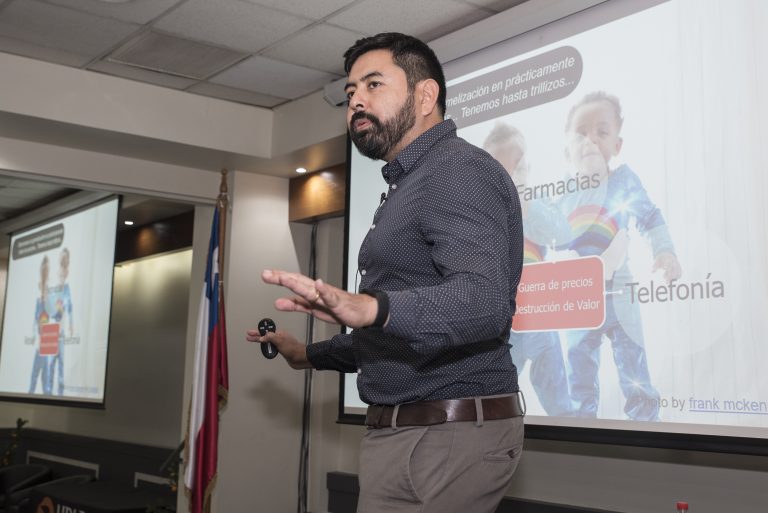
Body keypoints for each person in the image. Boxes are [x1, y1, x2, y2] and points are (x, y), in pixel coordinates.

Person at [247, 33, 525, 513]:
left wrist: (373, 307)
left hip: (446, 431)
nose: (356, 99)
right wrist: (308, 355)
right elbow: (398, 335)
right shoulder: (410, 183)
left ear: (425, 96)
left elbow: (483, 303)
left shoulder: (455, 170)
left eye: (373, 84)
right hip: (409, 432)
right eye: (351, 90)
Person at [557, 91, 682, 421]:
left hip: (619, 288)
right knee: (578, 371)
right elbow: (557, 236)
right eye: (581, 134)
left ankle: (646, 428)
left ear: (617, 145)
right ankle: (579, 431)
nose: (591, 141)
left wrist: (665, 250)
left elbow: (649, 216)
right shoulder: (565, 190)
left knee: (633, 363)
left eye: (602, 132)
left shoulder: (624, 179)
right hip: (579, 293)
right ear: (567, 149)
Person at [483, 122, 574, 416]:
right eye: (503, 169)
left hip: (538, 318)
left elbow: (562, 234)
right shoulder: (483, 214)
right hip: (502, 324)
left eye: (519, 166)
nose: (512, 176)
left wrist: (528, 205)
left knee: (557, 396)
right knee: (493, 399)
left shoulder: (539, 202)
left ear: (528, 168)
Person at [47, 247, 73, 395]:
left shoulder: (69, 280)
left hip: (63, 332)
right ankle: (49, 393)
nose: (62, 262)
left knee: (62, 365)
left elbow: (69, 307)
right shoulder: (56, 278)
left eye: (65, 259)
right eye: (61, 259)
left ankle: (61, 394)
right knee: (51, 364)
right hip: (53, 329)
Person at [29, 255, 52, 394]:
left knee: (42, 382)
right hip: (40, 346)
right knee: (38, 381)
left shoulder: (48, 300)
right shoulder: (39, 302)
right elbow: (36, 322)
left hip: (45, 347)